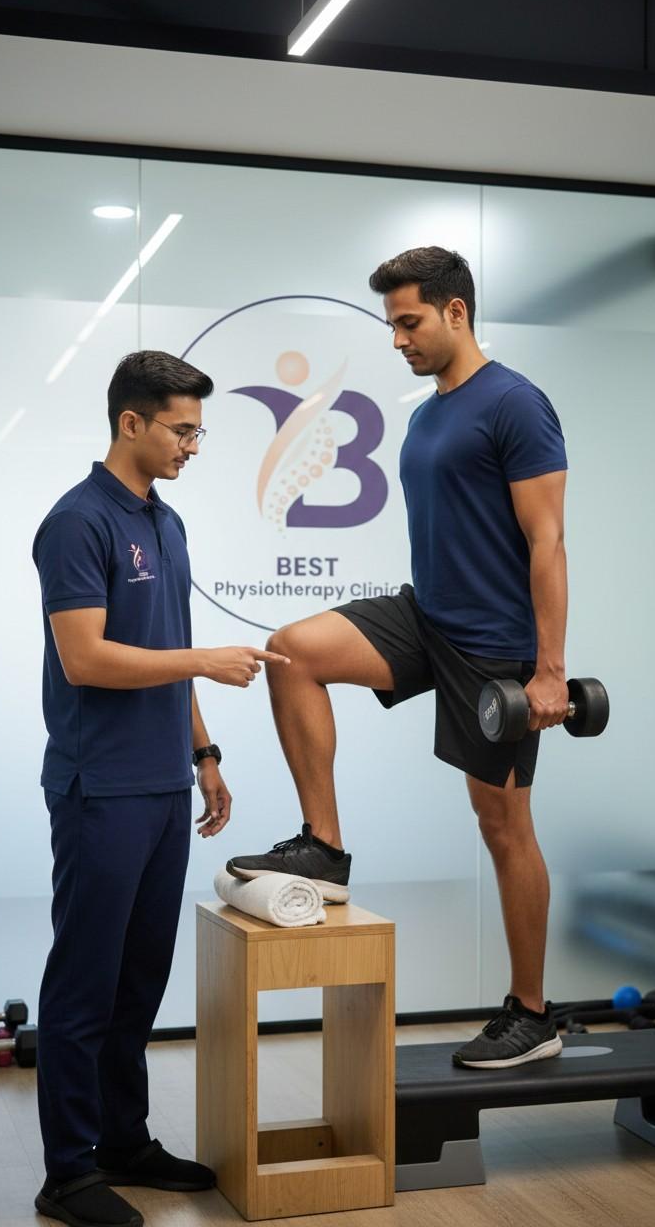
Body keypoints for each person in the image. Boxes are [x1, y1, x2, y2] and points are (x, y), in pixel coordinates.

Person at [227, 247, 570, 1070]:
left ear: (457, 312)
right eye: (391, 324)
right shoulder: (427, 414)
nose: (397, 339)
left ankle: (533, 1011)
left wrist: (549, 671)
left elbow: (547, 540)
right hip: (426, 617)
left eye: (409, 322)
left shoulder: (516, 404)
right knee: (293, 651)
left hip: (495, 649)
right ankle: (324, 846)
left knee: (502, 826)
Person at [32, 350, 289, 1227]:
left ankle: (123, 1142)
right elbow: (87, 657)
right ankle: (67, 1173)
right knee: (84, 986)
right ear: (130, 423)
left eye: (199, 430)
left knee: (140, 979)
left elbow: (164, 650)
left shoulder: (167, 524)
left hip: (162, 788)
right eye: (182, 429)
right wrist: (207, 664)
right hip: (98, 790)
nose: (193, 444)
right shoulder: (76, 523)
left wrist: (205, 756)